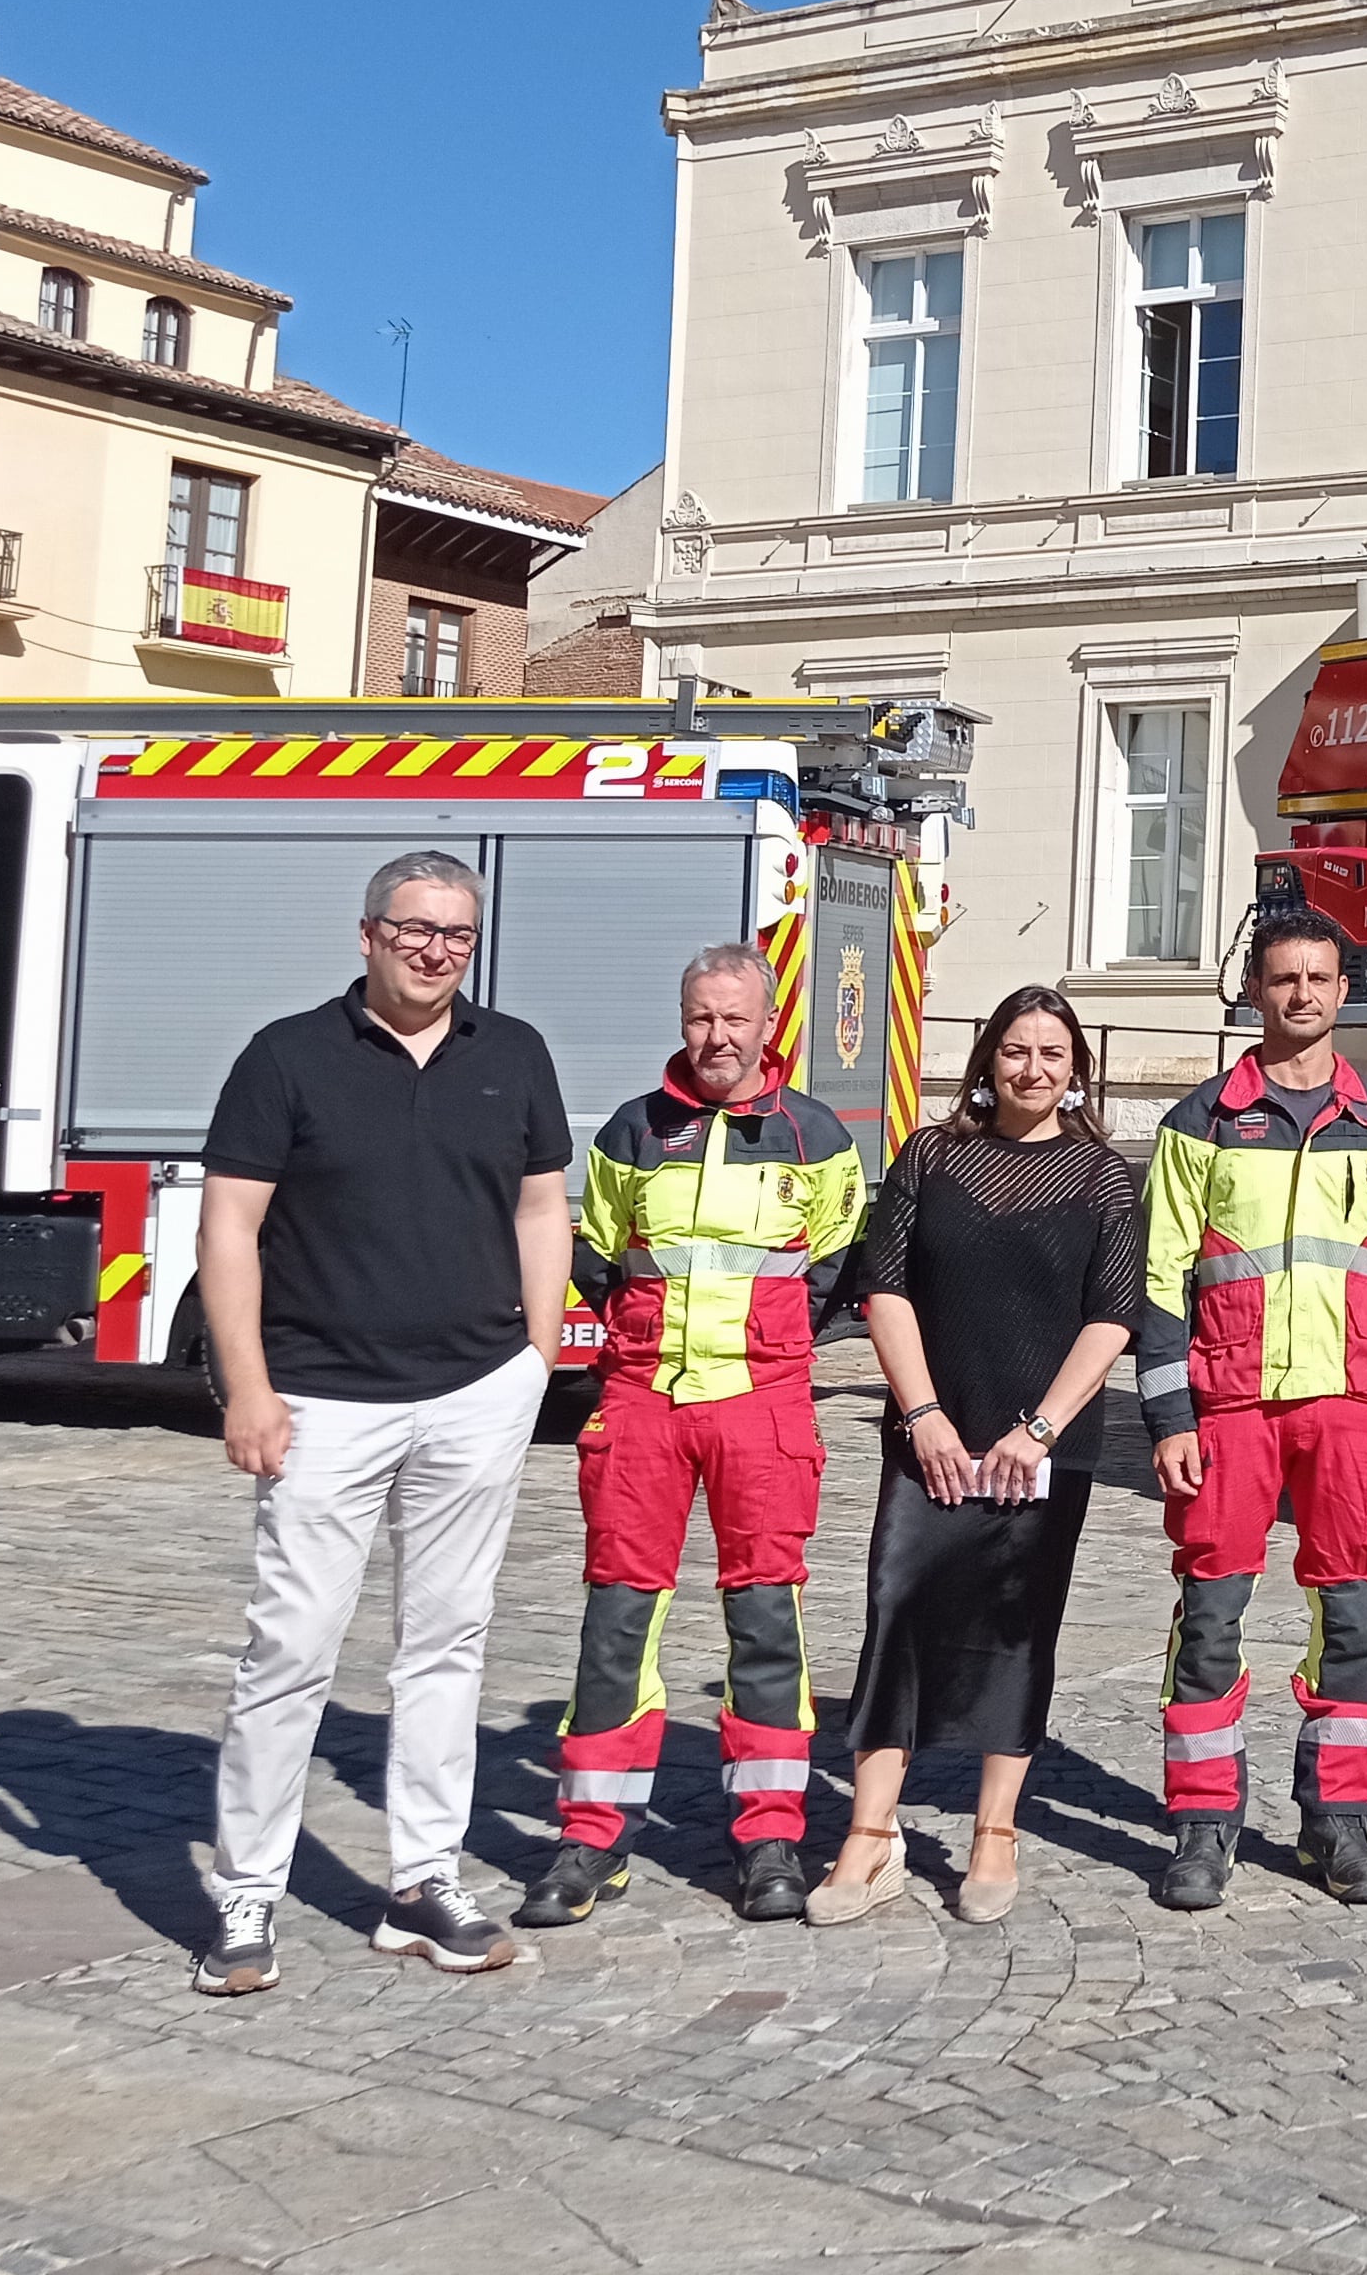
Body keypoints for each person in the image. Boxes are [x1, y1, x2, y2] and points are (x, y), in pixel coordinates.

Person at [194, 850, 573, 1996]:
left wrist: (537, 1358)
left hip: (473, 1394)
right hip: (321, 1401)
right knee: (291, 1650)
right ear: (367, 934)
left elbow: (542, 1203)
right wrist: (247, 1387)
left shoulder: (513, 1054)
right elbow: (229, 1229)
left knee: (446, 1647)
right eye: (415, 929)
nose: (435, 950)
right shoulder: (286, 1057)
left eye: (456, 934)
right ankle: (248, 1890)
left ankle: (422, 1882)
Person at [514, 942, 867, 1931]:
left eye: (735, 1019)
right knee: (618, 1622)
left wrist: (778, 1343)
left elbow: (841, 1263)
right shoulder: (635, 1131)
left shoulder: (815, 1137)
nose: (718, 1036)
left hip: (763, 1402)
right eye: (701, 1017)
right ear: (684, 1021)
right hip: (642, 1402)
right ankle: (592, 1839)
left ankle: (767, 1837)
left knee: (766, 1622)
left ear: (768, 1026)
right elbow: (596, 1253)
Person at [809, 986, 1140, 1927]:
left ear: (1078, 1069)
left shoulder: (1105, 1178)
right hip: (932, 1435)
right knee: (897, 1611)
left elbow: (1112, 1316)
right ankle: (869, 1837)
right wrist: (923, 1413)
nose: (1033, 1068)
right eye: (1016, 1050)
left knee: (1015, 1625)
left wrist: (1035, 1429)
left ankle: (995, 1831)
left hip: (1043, 1445)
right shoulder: (934, 1156)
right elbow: (885, 1285)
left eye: (1053, 1053)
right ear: (988, 1059)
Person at [1136, 908, 1367, 1911]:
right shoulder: (1200, 1125)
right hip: (1229, 1408)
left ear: (1343, 991)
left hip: (1351, 1408)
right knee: (1210, 1621)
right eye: (1283, 979)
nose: (1301, 995)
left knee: (1353, 1616)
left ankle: (1336, 1822)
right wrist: (1170, 1418)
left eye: (1318, 978)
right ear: (1255, 992)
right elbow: (1161, 1276)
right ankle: (1202, 1824)